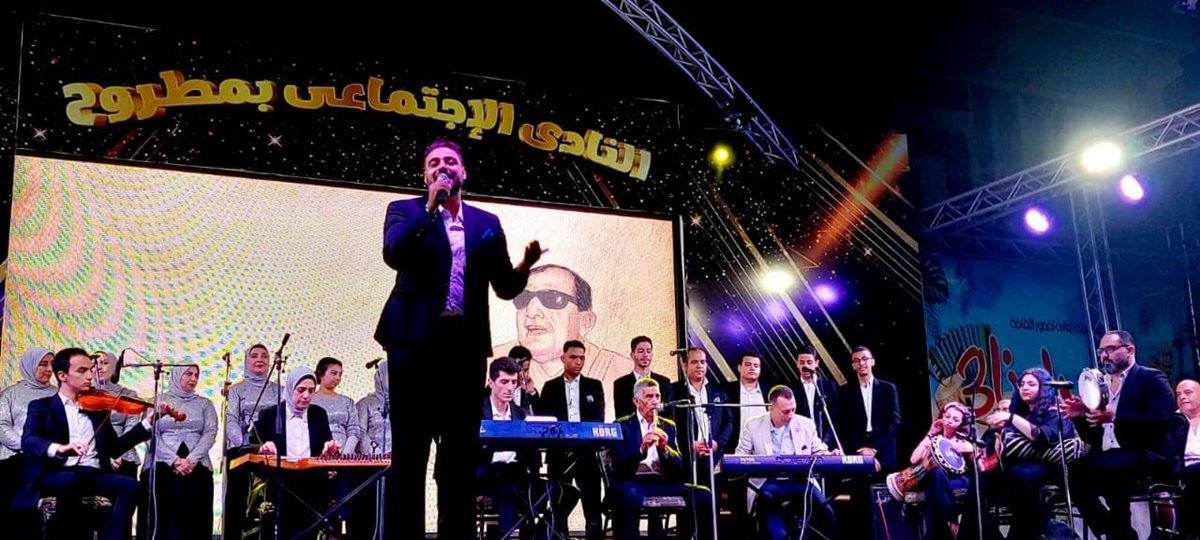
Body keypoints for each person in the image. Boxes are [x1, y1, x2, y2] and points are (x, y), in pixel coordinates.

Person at [374, 138, 543, 539]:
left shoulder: (486, 223)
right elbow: (394, 253)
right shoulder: (404, 211)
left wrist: (525, 264)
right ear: (425, 175)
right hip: (412, 348)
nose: (442, 167)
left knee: (458, 459)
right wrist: (431, 209)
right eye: (433, 163)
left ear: (464, 171)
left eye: (450, 161)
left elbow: (504, 286)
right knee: (410, 456)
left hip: (463, 351)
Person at [18, 347, 157, 540]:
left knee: (131, 485)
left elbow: (115, 448)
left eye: (90, 370)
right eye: (82, 371)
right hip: (57, 473)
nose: (90, 376)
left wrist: (147, 423)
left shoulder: (96, 409)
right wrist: (61, 448)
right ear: (62, 375)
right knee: (69, 480)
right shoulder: (42, 406)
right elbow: (28, 441)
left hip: (92, 473)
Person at [1061, 330, 1176, 540]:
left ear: (1129, 350)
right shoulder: (1098, 385)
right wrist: (1080, 416)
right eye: (1101, 351)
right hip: (1108, 456)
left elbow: (1164, 419)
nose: (1104, 355)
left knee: (1115, 467)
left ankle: (1119, 532)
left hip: (1145, 453)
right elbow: (1090, 437)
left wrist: (1115, 416)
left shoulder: (1151, 378)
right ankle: (1115, 530)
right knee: (1073, 472)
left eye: (1110, 349)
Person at [492, 264, 628, 419]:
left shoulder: (622, 372)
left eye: (552, 299)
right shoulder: (487, 365)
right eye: (523, 299)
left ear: (585, 321)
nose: (531, 311)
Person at [610, 378, 713, 540]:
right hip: (634, 481)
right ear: (636, 401)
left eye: (657, 396)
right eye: (649, 397)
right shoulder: (622, 425)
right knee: (627, 495)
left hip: (663, 482)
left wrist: (665, 450)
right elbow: (619, 463)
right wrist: (641, 449)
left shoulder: (668, 425)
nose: (655, 401)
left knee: (703, 494)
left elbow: (679, 464)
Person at [984, 367, 1076, 540]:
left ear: (1044, 387)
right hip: (1015, 471)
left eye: (1031, 384)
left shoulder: (1054, 411)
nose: (1024, 387)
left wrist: (1011, 418)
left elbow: (1040, 437)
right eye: (1022, 384)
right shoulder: (1021, 414)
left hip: (1046, 468)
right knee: (981, 482)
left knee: (1020, 477)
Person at [251, 367, 340, 540]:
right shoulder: (270, 415)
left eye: (311, 391)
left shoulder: (318, 414)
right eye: (301, 390)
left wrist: (329, 451)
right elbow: (249, 445)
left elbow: (326, 446)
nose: (306, 396)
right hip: (281, 483)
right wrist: (262, 448)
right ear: (290, 388)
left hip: (312, 484)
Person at [735, 385, 835, 540]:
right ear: (771, 408)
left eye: (793, 409)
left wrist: (831, 456)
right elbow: (740, 456)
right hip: (767, 482)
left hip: (800, 480)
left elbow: (819, 451)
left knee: (826, 512)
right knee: (768, 506)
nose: (791, 415)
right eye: (786, 411)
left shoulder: (806, 424)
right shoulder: (753, 425)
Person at [138, 364, 217, 540]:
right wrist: (174, 460)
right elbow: (149, 434)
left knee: (195, 516)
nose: (193, 378)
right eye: (189, 374)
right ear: (176, 375)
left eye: (196, 375)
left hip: (196, 464)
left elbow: (210, 432)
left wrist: (191, 460)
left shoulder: (205, 404)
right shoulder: (156, 401)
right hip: (161, 463)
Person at [540, 340, 606, 540]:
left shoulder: (594, 386)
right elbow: (544, 420)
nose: (578, 362)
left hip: (587, 454)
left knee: (592, 508)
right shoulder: (550, 387)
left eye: (582, 358)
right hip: (559, 454)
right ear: (563, 358)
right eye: (574, 357)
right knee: (559, 507)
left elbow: (598, 419)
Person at [479, 357, 547, 540]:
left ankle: (531, 534)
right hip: (485, 474)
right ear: (490, 382)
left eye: (513, 382)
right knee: (508, 478)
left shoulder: (521, 414)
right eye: (504, 382)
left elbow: (533, 455)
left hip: (517, 474)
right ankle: (504, 534)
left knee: (556, 490)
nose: (510, 388)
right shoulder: (478, 412)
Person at [837, 345, 901, 537]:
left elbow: (895, 421)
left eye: (864, 359)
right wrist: (861, 449)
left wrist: (874, 449)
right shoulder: (845, 392)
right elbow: (844, 425)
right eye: (856, 361)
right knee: (860, 505)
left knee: (887, 507)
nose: (861, 363)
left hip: (883, 452)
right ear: (853, 366)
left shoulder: (888, 388)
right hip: (858, 452)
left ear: (872, 361)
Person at [222, 343, 282, 537]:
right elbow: (231, 419)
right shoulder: (237, 390)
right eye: (254, 355)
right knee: (239, 503)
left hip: (272, 452)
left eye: (264, 356)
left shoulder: (280, 390)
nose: (260, 359)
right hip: (243, 451)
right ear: (246, 360)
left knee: (269, 504)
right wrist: (243, 446)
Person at [0, 347, 57, 524]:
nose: (49, 369)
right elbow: (1, 425)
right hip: (13, 461)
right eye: (43, 364)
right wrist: (27, 445)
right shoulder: (10, 394)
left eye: (52, 364)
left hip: (47, 462)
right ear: (30, 365)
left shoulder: (58, 394)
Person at [669, 347, 733, 493]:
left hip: (712, 458)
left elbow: (728, 422)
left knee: (711, 500)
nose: (699, 366)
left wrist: (717, 443)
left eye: (702, 362)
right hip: (685, 459)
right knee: (689, 501)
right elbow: (669, 423)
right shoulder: (674, 391)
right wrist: (688, 444)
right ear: (686, 365)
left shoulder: (718, 391)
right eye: (694, 362)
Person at [910, 402, 975, 540]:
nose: (950, 421)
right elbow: (913, 459)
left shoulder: (963, 441)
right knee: (936, 474)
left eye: (955, 419)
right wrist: (930, 433)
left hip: (958, 479)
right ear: (942, 416)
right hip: (939, 479)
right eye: (947, 416)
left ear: (961, 423)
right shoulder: (934, 440)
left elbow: (978, 464)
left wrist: (971, 449)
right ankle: (952, 521)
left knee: (933, 490)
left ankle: (943, 528)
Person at [93, 351, 143, 479]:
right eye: (94, 364)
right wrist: (104, 455)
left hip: (124, 452)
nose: (99, 367)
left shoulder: (128, 395)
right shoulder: (81, 393)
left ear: (115, 367)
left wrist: (118, 452)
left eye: (104, 363)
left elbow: (132, 425)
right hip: (93, 453)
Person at [788, 346, 840, 450]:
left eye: (809, 362)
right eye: (802, 362)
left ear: (816, 363)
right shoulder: (791, 389)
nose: (805, 366)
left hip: (825, 445)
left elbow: (834, 419)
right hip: (800, 445)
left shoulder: (828, 386)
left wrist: (825, 444)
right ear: (796, 363)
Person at [613, 336, 673, 420]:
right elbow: (621, 417)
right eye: (641, 351)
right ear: (632, 355)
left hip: (659, 427)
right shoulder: (621, 384)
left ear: (652, 355)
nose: (645, 355)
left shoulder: (664, 382)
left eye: (648, 351)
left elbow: (669, 415)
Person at [1176, 379, 1200, 537]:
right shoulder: (1172, 420)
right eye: (1178, 394)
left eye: (1188, 393)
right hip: (1180, 469)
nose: (1182, 397)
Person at [508, 346, 539, 414]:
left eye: (526, 370)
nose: (522, 373)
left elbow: (540, 415)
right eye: (520, 369)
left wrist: (531, 392)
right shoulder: (499, 388)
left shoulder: (532, 392)